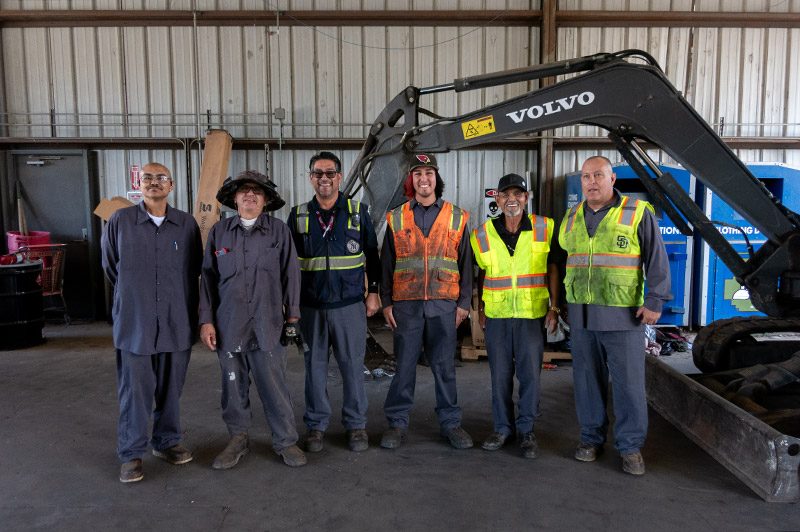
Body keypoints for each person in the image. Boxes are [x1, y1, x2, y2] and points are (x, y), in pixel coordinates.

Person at [559, 155, 670, 475]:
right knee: (586, 381)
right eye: (585, 177)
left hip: (623, 315)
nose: (591, 182)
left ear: (612, 180)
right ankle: (591, 439)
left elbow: (656, 259)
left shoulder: (636, 213)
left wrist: (655, 300)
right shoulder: (571, 216)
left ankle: (631, 447)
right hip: (581, 316)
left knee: (628, 385)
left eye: (597, 175)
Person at [101, 162, 202, 483]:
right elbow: (111, 268)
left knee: (171, 389)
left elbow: (193, 270)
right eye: (148, 178)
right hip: (136, 323)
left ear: (171, 185)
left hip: (176, 321)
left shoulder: (186, 225)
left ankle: (167, 441)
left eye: (161, 178)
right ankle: (131, 453)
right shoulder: (121, 221)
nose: (154, 183)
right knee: (136, 391)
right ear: (139, 184)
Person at [199, 170, 307, 470]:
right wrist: (206, 320)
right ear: (234, 198)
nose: (250, 195)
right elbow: (207, 278)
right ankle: (238, 439)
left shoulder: (278, 232)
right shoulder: (220, 233)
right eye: (244, 190)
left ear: (266, 200)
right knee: (233, 385)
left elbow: (291, 275)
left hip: (268, 323)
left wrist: (293, 316)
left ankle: (285, 440)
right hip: (229, 324)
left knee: (274, 385)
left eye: (256, 192)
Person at [287, 152, 381, 453]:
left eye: (330, 173)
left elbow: (373, 255)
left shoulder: (357, 212)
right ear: (310, 177)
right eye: (318, 173)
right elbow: (288, 265)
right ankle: (315, 427)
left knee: (353, 366)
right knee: (314, 368)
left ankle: (356, 426)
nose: (324, 178)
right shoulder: (298, 215)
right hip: (311, 307)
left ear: (339, 177)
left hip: (349, 306)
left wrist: (374, 292)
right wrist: (291, 307)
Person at [380, 153, 474, 450]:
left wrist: (464, 304)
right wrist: (385, 301)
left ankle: (451, 423)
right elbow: (386, 263)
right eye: (418, 173)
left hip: (444, 305)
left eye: (429, 173)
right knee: (404, 366)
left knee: (444, 367)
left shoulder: (457, 217)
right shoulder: (396, 217)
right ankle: (397, 422)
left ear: (436, 178)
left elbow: (466, 264)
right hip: (406, 306)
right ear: (412, 180)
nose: (424, 179)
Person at [470, 173, 561, 459]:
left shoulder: (544, 227)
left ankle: (527, 430)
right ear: (496, 198)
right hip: (497, 315)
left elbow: (554, 267)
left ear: (527, 197)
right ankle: (502, 428)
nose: (512, 200)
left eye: (518, 194)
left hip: (531, 315)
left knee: (530, 376)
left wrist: (554, 307)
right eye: (506, 194)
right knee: (500, 376)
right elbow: (481, 273)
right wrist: (481, 310)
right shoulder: (482, 233)